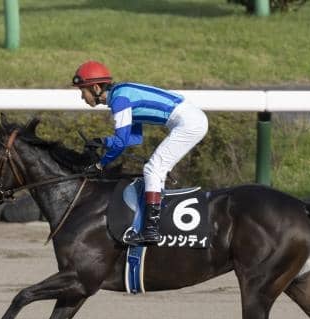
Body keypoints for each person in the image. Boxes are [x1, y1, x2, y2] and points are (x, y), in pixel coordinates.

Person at [72, 60, 208, 245]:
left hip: (189, 122)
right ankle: (155, 221)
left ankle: (151, 230)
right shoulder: (121, 94)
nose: (82, 97)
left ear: (95, 88)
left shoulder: (120, 100)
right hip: (190, 119)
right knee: (155, 169)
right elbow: (135, 139)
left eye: (83, 91)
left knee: (153, 169)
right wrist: (102, 141)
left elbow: (120, 143)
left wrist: (100, 164)